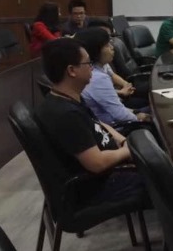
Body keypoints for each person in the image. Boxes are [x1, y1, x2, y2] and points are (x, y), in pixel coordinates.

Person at [35, 37, 146, 204]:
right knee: (166, 177)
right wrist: (128, 151)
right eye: (88, 63)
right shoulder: (65, 114)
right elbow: (97, 163)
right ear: (72, 70)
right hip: (98, 185)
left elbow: (97, 123)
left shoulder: (70, 96)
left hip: (112, 163)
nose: (92, 68)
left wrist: (123, 141)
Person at [75, 28, 150, 127]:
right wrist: (140, 117)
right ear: (95, 51)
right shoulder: (97, 78)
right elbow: (120, 115)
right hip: (116, 126)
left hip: (117, 115)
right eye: (107, 45)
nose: (112, 47)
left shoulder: (98, 67)